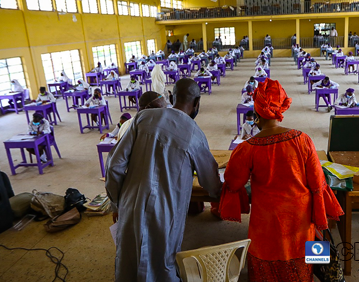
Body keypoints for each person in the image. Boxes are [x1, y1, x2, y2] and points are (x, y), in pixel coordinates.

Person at [215, 78, 343, 281]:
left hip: (266, 225)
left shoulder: (248, 148)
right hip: (300, 222)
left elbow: (233, 182)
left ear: (256, 114)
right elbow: (318, 183)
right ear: (281, 108)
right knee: (301, 266)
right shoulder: (303, 140)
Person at [106, 79, 222, 282]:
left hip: (130, 203)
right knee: (162, 262)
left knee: (128, 261)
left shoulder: (142, 118)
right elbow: (210, 183)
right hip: (167, 211)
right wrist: (219, 191)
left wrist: (117, 202)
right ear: (197, 102)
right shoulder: (194, 134)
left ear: (170, 97)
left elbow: (114, 166)